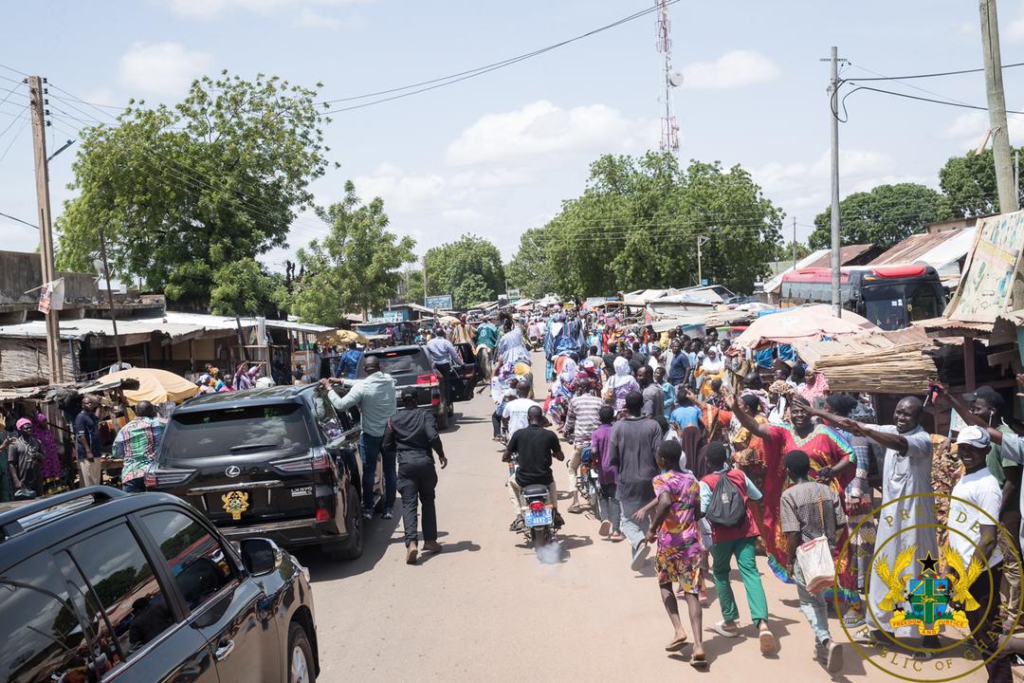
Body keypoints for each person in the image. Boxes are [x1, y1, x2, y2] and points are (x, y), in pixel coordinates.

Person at [813, 396, 934, 645]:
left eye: (907, 414)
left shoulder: (921, 440)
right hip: (891, 519)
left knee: (920, 572)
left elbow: (899, 443)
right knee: (884, 569)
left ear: (918, 418)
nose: (900, 417)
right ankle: (882, 628)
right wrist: (816, 411)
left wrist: (864, 429)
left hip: (916, 520)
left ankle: (928, 636)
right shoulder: (889, 429)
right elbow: (850, 424)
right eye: (898, 412)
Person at [728, 392, 861, 618]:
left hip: (824, 502)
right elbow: (756, 429)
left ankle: (847, 600)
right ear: (788, 414)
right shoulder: (784, 432)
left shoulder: (825, 433)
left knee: (834, 547)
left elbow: (849, 455)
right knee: (804, 549)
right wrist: (737, 410)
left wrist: (832, 471)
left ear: (810, 413)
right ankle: (819, 596)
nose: (799, 415)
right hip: (796, 503)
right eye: (795, 411)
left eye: (803, 410)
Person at [945, 426, 1011, 683]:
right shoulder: (965, 478)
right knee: (980, 631)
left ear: (985, 450)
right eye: (963, 447)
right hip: (965, 568)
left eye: (973, 448)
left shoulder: (987, 484)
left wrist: (965, 582)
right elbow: (959, 528)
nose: (966, 452)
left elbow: (987, 539)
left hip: (981, 572)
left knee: (986, 633)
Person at [698, 442, 775, 653]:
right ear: (725, 458)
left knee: (721, 573)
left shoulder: (706, 482)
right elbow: (757, 496)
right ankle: (763, 624)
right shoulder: (739, 475)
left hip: (720, 535)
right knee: (750, 573)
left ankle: (730, 621)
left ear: (707, 461)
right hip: (745, 531)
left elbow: (703, 509)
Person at [780, 450, 845, 673]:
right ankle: (822, 646)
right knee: (819, 600)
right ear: (809, 469)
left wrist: (789, 561)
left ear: (789, 472)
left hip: (805, 555)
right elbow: (840, 523)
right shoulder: (827, 490)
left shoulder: (789, 496)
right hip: (826, 552)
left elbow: (794, 534)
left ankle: (826, 640)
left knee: (807, 602)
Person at [646, 439, 707, 668]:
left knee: (665, 585)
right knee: (691, 591)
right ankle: (699, 645)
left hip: (669, 544)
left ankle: (679, 630)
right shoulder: (692, 481)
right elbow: (698, 512)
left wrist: (652, 529)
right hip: (690, 544)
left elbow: (663, 502)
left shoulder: (661, 479)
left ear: (662, 459)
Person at [321, 356, 397, 520]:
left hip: (370, 435)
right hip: (390, 433)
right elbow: (362, 384)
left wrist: (328, 388)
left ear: (364, 369)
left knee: (369, 472)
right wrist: (342, 381)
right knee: (390, 469)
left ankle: (368, 508)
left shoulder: (362, 387)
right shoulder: (390, 381)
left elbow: (341, 405)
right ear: (380, 367)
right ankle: (389, 508)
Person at [383, 389, 449, 565]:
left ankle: (411, 543)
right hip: (425, 464)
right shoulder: (425, 415)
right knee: (427, 500)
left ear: (402, 401)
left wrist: (400, 451)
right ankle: (430, 541)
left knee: (409, 504)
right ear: (417, 399)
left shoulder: (393, 420)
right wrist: (441, 454)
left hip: (406, 466)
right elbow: (433, 436)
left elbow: (386, 445)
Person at [610, 391, 663, 571]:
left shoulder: (617, 427)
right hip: (650, 481)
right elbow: (659, 454)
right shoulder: (653, 425)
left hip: (628, 480)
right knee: (644, 517)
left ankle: (640, 541)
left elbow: (613, 458)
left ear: (625, 405)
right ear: (642, 405)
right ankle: (638, 557)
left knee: (627, 519)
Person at [504, 406, 565, 527]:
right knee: (552, 482)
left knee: (510, 483)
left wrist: (507, 458)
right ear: (542, 418)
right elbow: (561, 457)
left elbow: (505, 456)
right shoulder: (550, 435)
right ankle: (555, 512)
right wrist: (555, 454)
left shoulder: (518, 434)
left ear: (528, 418)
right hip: (544, 478)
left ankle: (519, 517)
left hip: (523, 479)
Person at [563, 377, 604, 514]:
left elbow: (569, 421)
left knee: (572, 468)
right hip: (599, 443)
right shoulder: (599, 401)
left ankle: (575, 502)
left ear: (580, 389)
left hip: (581, 444)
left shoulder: (574, 401)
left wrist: (565, 432)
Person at [114, 401, 167, 493]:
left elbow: (117, 452)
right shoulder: (161, 424)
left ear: (136, 412)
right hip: (153, 473)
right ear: (152, 411)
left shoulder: (124, 430)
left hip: (131, 475)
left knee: (134, 506)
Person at [590, 405, 622, 540]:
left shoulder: (597, 433)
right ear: (613, 417)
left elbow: (593, 451)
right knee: (615, 498)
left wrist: (595, 462)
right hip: (616, 469)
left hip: (603, 469)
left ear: (599, 418)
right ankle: (615, 531)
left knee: (603, 495)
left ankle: (604, 519)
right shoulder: (617, 431)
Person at [4, 418, 43, 498]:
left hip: (37, 479)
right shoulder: (15, 445)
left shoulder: (37, 442)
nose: (29, 430)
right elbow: (11, 464)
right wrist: (16, 480)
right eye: (26, 428)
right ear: (20, 429)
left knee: (39, 502)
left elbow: (43, 457)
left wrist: (37, 455)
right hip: (23, 481)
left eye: (30, 428)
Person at [425, 330, 465, 405]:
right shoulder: (446, 342)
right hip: (445, 366)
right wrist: (461, 363)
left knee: (435, 384)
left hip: (435, 367)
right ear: (443, 334)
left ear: (436, 334)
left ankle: (438, 401)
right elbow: (454, 355)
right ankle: (447, 402)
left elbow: (427, 354)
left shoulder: (430, 342)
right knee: (446, 384)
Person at [32, 413, 65, 495]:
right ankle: (49, 494)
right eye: (43, 421)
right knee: (47, 477)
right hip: (45, 461)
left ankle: (57, 492)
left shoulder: (47, 431)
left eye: (46, 421)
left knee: (55, 476)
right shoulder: (35, 434)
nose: (45, 423)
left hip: (53, 459)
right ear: (38, 422)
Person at [75, 395, 103, 488]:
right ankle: (91, 497)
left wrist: (99, 405)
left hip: (96, 451)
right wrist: (88, 451)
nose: (90, 404)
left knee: (96, 477)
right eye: (87, 403)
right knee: (89, 478)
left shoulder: (91, 416)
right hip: (88, 453)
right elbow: (81, 436)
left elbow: (97, 417)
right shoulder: (80, 417)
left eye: (91, 403)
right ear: (82, 405)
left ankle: (97, 497)